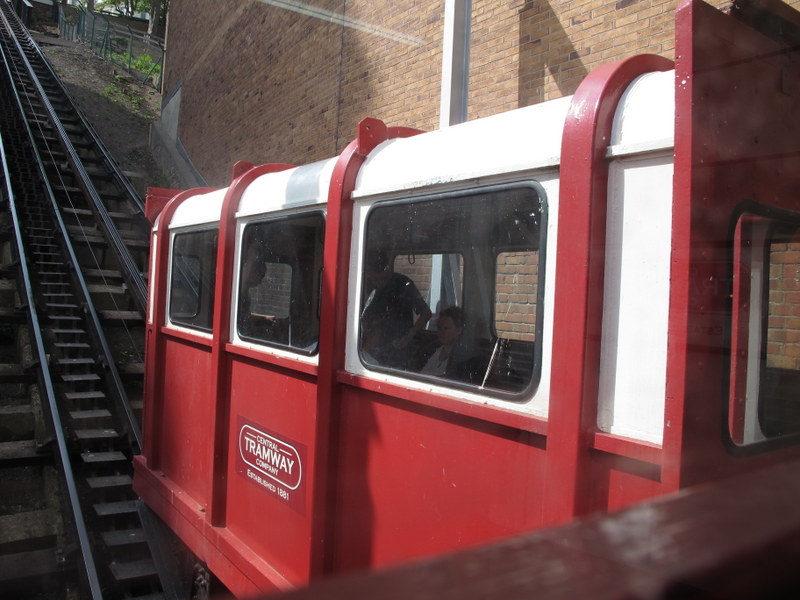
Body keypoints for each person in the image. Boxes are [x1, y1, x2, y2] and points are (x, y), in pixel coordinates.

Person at [361, 249, 432, 367]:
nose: (379, 283)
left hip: (401, 347)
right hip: (374, 349)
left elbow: (426, 313)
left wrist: (409, 336)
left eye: (382, 278)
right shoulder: (367, 285)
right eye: (375, 279)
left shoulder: (404, 284)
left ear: (387, 270)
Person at [419, 306, 466, 377]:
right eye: (439, 327)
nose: (441, 332)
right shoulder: (429, 350)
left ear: (458, 330)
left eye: (446, 328)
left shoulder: (461, 359)